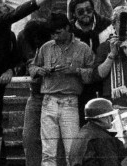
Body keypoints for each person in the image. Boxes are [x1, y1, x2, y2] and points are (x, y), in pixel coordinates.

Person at [0, 0, 61, 164]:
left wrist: (10, 70)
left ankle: (0, 163)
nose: (4, 4)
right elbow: (14, 15)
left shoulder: (10, 35)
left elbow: (16, 59)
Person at [29, 12, 96, 166]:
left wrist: (76, 71)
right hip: (49, 101)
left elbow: (93, 74)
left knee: (72, 152)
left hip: (70, 101)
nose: (55, 36)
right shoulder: (46, 47)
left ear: (67, 28)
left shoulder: (83, 48)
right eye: (52, 33)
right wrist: (40, 71)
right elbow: (32, 67)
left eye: (58, 32)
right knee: (48, 153)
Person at [68, 98, 127, 166]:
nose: (111, 119)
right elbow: (111, 162)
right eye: (110, 116)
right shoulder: (102, 138)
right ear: (104, 117)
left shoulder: (83, 132)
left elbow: (114, 154)